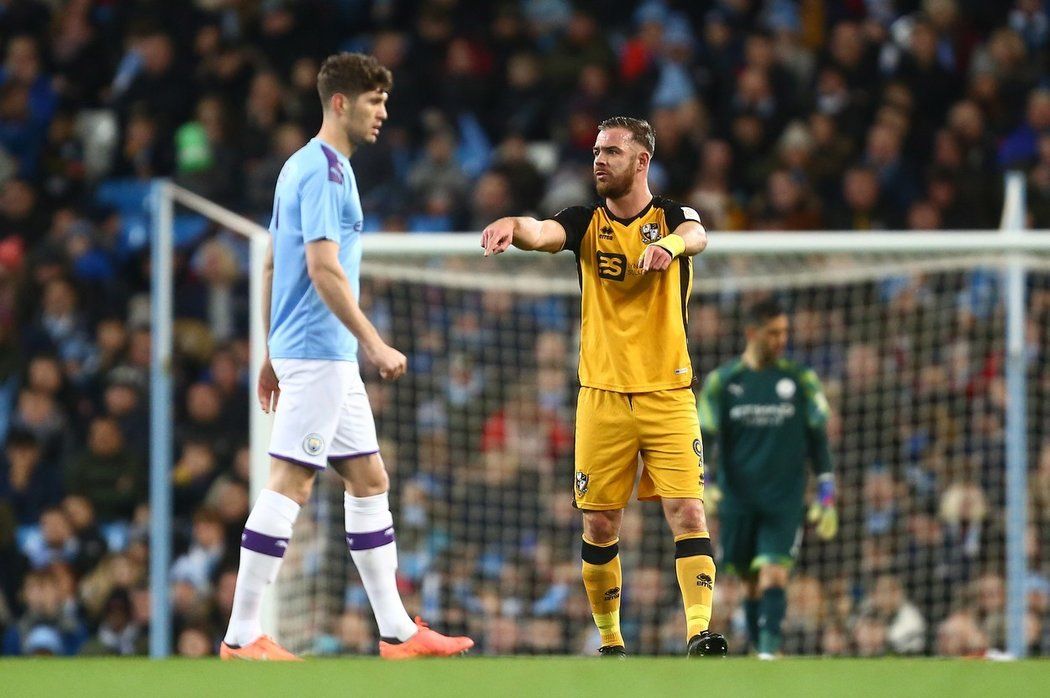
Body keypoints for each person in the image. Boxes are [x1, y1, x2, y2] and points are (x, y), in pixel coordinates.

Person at [220, 53, 473, 661]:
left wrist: (270, 350)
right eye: (374, 101)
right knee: (292, 481)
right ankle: (241, 634)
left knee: (368, 477)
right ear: (341, 102)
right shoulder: (328, 173)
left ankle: (398, 633)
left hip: (305, 349)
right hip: (322, 350)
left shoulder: (298, 167)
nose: (383, 113)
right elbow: (321, 267)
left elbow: (273, 262)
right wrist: (375, 342)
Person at [481, 116, 727, 657]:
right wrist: (513, 225)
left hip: (668, 394)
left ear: (641, 161)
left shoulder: (670, 216)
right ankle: (612, 642)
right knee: (598, 522)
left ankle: (700, 633)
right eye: (596, 151)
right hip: (603, 396)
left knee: (688, 511)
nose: (598, 160)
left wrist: (670, 248)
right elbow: (544, 232)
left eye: (612, 151)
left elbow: (698, 233)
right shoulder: (584, 220)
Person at [697, 298, 838, 659]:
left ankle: (768, 652)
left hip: (784, 499)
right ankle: (761, 649)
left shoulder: (800, 380)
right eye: (773, 333)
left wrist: (826, 492)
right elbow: (704, 438)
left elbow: (819, 439)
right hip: (738, 499)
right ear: (752, 333)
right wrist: (706, 482)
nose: (781, 340)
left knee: (774, 572)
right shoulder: (723, 383)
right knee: (749, 581)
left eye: (785, 332)